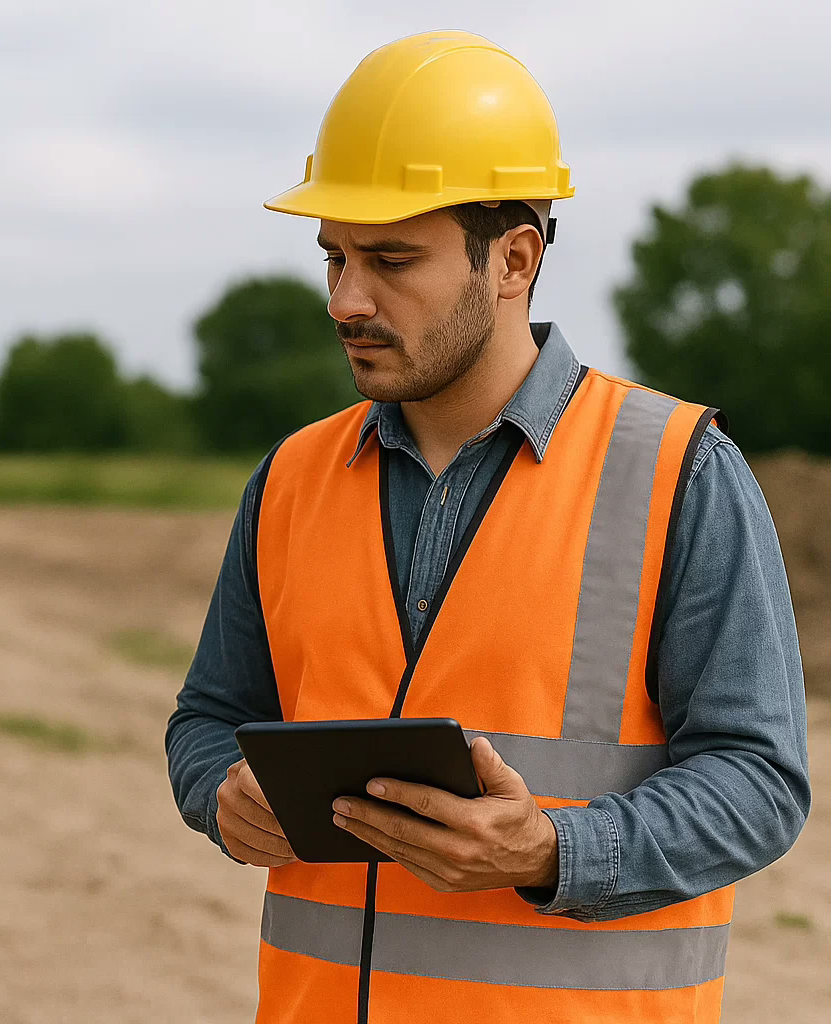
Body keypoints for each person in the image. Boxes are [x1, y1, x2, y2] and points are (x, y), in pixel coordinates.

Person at [166, 30, 810, 1024]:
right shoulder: (292, 477)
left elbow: (760, 781)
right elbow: (207, 716)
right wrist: (221, 790)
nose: (346, 298)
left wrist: (550, 850)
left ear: (515, 259)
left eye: (389, 259)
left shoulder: (680, 474)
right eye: (332, 256)